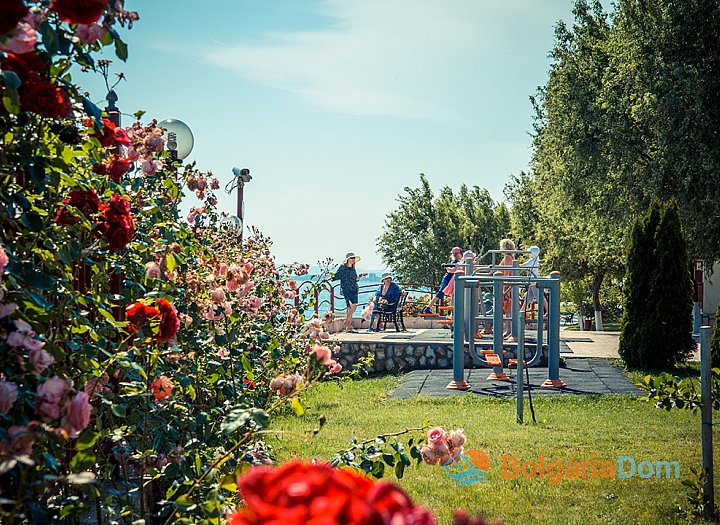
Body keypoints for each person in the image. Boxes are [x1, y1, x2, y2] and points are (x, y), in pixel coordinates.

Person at [332, 253, 367, 332]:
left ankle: (348, 327)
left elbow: (355, 279)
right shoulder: (343, 268)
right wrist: (328, 278)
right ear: (347, 259)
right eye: (352, 258)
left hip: (354, 289)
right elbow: (336, 276)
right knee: (353, 308)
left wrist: (360, 275)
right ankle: (346, 323)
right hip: (346, 289)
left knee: (350, 308)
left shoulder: (353, 269)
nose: (353, 260)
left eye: (354, 258)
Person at [423, 247, 464, 314]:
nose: (461, 255)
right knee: (440, 293)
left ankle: (451, 311)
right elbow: (452, 270)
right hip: (448, 279)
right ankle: (428, 307)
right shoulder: (455, 262)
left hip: (450, 279)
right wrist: (446, 267)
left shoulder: (457, 262)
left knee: (452, 294)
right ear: (458, 254)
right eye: (461, 253)